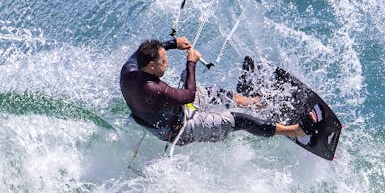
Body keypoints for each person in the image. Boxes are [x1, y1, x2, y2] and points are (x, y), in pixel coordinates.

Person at [119, 37, 321, 145]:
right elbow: (188, 96)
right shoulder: (154, 89)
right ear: (152, 66)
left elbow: (139, 52)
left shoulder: (130, 69)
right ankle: (295, 131)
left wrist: (172, 44)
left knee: (216, 93)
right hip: (180, 129)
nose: (167, 63)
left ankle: (256, 103)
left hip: (168, 112)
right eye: (164, 62)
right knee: (240, 120)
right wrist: (191, 63)